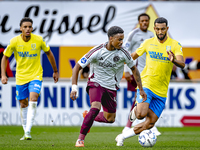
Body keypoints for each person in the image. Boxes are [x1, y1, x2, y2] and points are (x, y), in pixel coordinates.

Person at [70, 26, 147, 147]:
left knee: (110, 119)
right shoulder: (97, 50)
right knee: (95, 107)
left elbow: (134, 70)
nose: (122, 42)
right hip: (96, 83)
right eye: (119, 39)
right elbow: (77, 66)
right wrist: (74, 87)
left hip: (111, 87)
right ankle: (80, 139)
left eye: (122, 39)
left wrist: (141, 89)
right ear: (111, 39)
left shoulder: (124, 53)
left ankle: (88, 115)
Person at [116, 17, 185, 146]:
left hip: (162, 90)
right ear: (154, 29)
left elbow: (182, 64)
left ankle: (122, 136)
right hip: (146, 84)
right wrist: (118, 60)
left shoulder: (175, 44)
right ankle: (136, 111)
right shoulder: (148, 43)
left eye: (162, 29)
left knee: (150, 123)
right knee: (141, 115)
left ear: (167, 29)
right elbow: (133, 56)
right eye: (157, 29)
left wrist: (173, 60)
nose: (160, 31)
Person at [1, 17, 59, 140]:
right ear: (21, 28)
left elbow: (49, 53)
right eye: (25, 27)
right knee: (23, 104)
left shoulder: (39, 40)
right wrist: (3, 75)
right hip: (21, 77)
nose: (28, 29)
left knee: (33, 98)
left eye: (30, 27)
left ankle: (28, 132)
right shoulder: (14, 41)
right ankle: (25, 130)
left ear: (32, 28)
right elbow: (4, 57)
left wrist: (55, 71)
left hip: (36, 75)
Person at [118, 13, 161, 136]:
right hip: (137, 71)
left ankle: (140, 125)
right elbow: (126, 52)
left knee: (144, 98)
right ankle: (132, 126)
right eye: (142, 21)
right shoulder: (133, 34)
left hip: (149, 73)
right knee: (141, 98)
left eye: (147, 21)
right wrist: (126, 70)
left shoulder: (152, 35)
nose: (144, 23)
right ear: (139, 22)